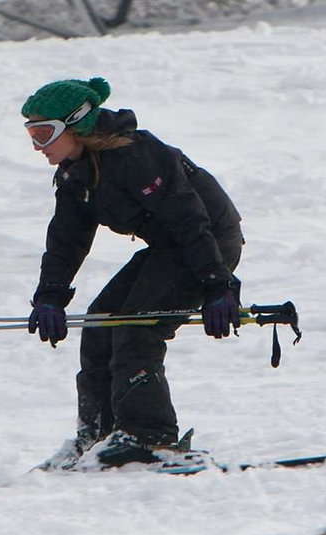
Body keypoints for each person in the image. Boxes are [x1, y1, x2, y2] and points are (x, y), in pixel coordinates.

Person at [23, 77, 244, 468]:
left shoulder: (137, 157)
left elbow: (190, 220)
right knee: (100, 323)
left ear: (77, 125)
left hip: (207, 242)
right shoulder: (77, 174)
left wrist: (218, 286)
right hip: (168, 247)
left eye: (44, 134)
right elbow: (66, 240)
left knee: (136, 326)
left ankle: (150, 439)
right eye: (32, 134)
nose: (37, 146)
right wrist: (50, 296)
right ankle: (100, 434)